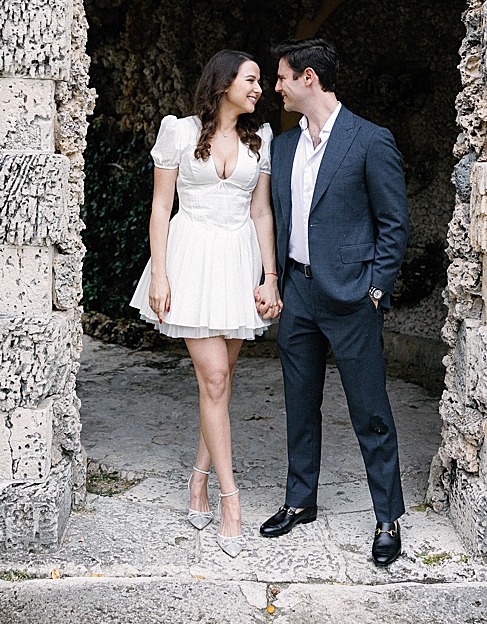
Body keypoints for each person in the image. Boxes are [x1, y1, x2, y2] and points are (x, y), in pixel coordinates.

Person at [259, 37, 410, 568]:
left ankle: (387, 515)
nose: (275, 87)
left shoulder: (370, 140)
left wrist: (375, 289)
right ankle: (301, 501)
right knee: (299, 405)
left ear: (309, 80)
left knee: (370, 411)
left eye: (281, 77)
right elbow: (272, 219)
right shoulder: (281, 147)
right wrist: (272, 279)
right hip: (297, 293)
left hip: (352, 298)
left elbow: (394, 224)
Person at [131, 50, 283, 558]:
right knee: (215, 378)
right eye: (251, 79)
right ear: (223, 83)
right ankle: (230, 499)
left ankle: (197, 478)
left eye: (261, 80)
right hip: (191, 258)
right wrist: (160, 273)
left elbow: (261, 213)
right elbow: (160, 206)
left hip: (238, 261)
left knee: (219, 384)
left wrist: (270, 278)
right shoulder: (178, 131)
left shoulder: (258, 144)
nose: (259, 88)